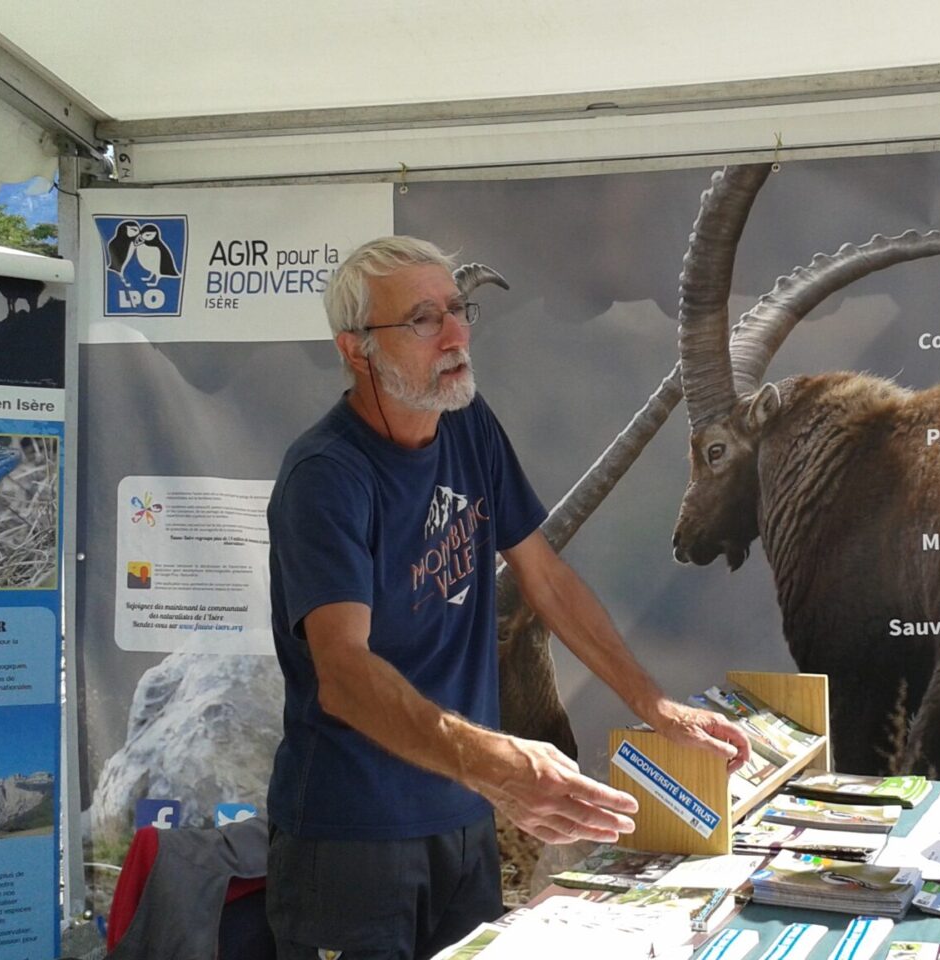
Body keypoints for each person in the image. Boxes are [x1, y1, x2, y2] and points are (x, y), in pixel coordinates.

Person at [264, 236, 751, 960]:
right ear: (357, 349)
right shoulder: (325, 478)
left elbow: (543, 575)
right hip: (352, 837)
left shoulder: (466, 422)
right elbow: (343, 677)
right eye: (424, 320)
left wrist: (652, 703)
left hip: (464, 815)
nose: (458, 335)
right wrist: (497, 765)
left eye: (458, 311)